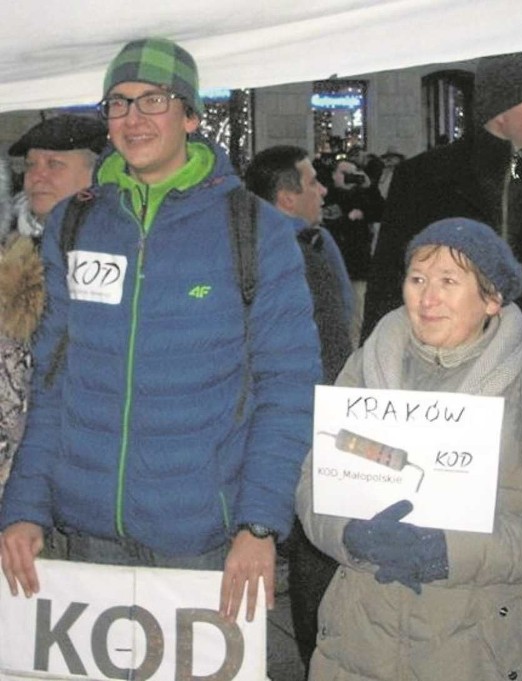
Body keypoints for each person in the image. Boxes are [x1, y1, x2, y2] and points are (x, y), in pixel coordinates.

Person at [0, 37, 321, 625]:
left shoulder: (256, 231)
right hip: (85, 534)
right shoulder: (77, 222)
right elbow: (53, 381)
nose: (133, 118)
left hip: (204, 539)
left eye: (154, 100)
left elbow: (289, 389)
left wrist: (259, 524)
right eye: (118, 104)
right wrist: (24, 506)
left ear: (192, 115)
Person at [361, 50, 522, 680]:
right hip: (447, 409)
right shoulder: (426, 177)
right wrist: (379, 402)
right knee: (466, 571)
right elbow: (385, 293)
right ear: (503, 110)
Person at [296, 217, 522, 681]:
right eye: (417, 279)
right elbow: (314, 484)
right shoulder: (365, 367)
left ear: (492, 298)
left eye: (448, 281)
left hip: (483, 648)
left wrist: (454, 551)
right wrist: (347, 534)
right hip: (361, 644)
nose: (427, 297)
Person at [245, 145, 353, 674]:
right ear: (287, 196)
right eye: (313, 182)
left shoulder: (316, 242)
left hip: (326, 411)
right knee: (313, 546)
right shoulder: (271, 252)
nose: (323, 189)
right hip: (300, 419)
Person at [0, 115, 107, 502]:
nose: (36, 177)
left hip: (87, 467)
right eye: (30, 165)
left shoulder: (118, 252)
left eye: (54, 165)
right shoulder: (9, 251)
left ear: (97, 174)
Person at [324, 157, 383, 347]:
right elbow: (325, 223)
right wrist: (348, 219)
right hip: (333, 267)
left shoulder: (362, 196)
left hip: (358, 267)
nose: (349, 179)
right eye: (344, 174)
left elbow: (382, 211)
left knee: (357, 317)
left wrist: (369, 187)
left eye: (352, 174)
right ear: (334, 175)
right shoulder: (326, 196)